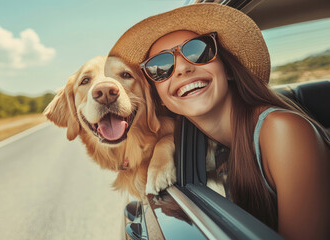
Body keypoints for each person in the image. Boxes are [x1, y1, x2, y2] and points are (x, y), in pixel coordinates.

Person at [105, 3, 330, 239]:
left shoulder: (283, 131)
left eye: (198, 51)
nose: (182, 68)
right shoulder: (202, 146)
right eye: (160, 68)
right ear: (159, 98)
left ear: (229, 68)